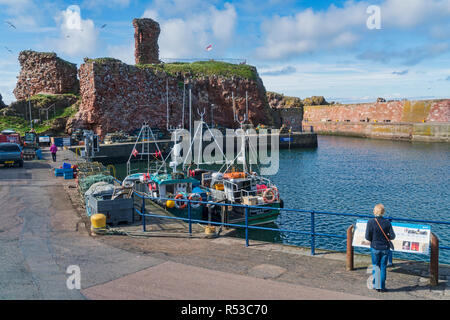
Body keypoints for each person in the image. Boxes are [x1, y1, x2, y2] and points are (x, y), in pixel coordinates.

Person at [365, 204, 395, 292]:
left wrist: (373, 240)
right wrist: (387, 237)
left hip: (374, 247)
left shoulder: (370, 222)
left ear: (375, 211)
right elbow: (393, 236)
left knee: (376, 266)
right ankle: (382, 287)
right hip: (385, 248)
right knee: (383, 267)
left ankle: (376, 285)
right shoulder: (387, 223)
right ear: (383, 212)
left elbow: (367, 237)